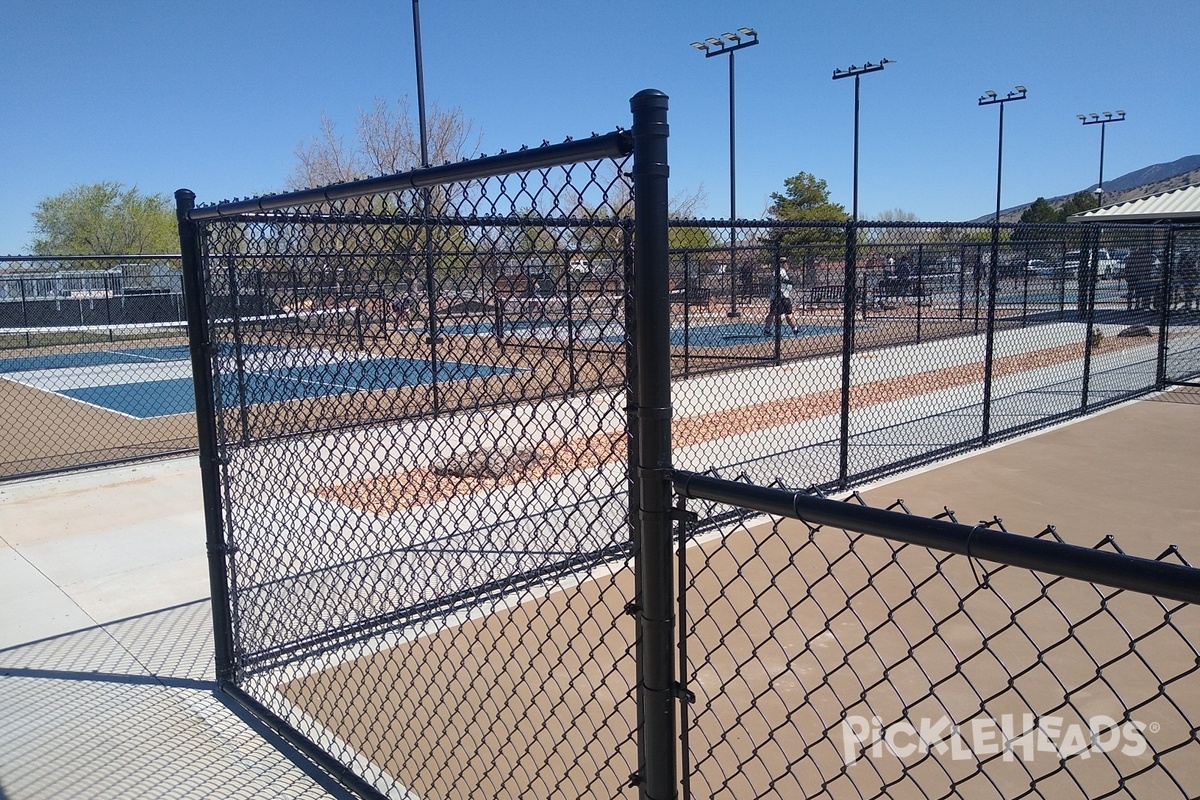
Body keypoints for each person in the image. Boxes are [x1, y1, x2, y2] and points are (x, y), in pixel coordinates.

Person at [763, 259, 799, 335]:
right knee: (779, 313)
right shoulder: (780, 271)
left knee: (777, 313)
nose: (787, 265)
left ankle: (794, 328)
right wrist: (788, 282)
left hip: (782, 296)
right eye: (786, 263)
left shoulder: (783, 272)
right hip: (781, 296)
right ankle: (794, 328)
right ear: (782, 264)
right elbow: (779, 279)